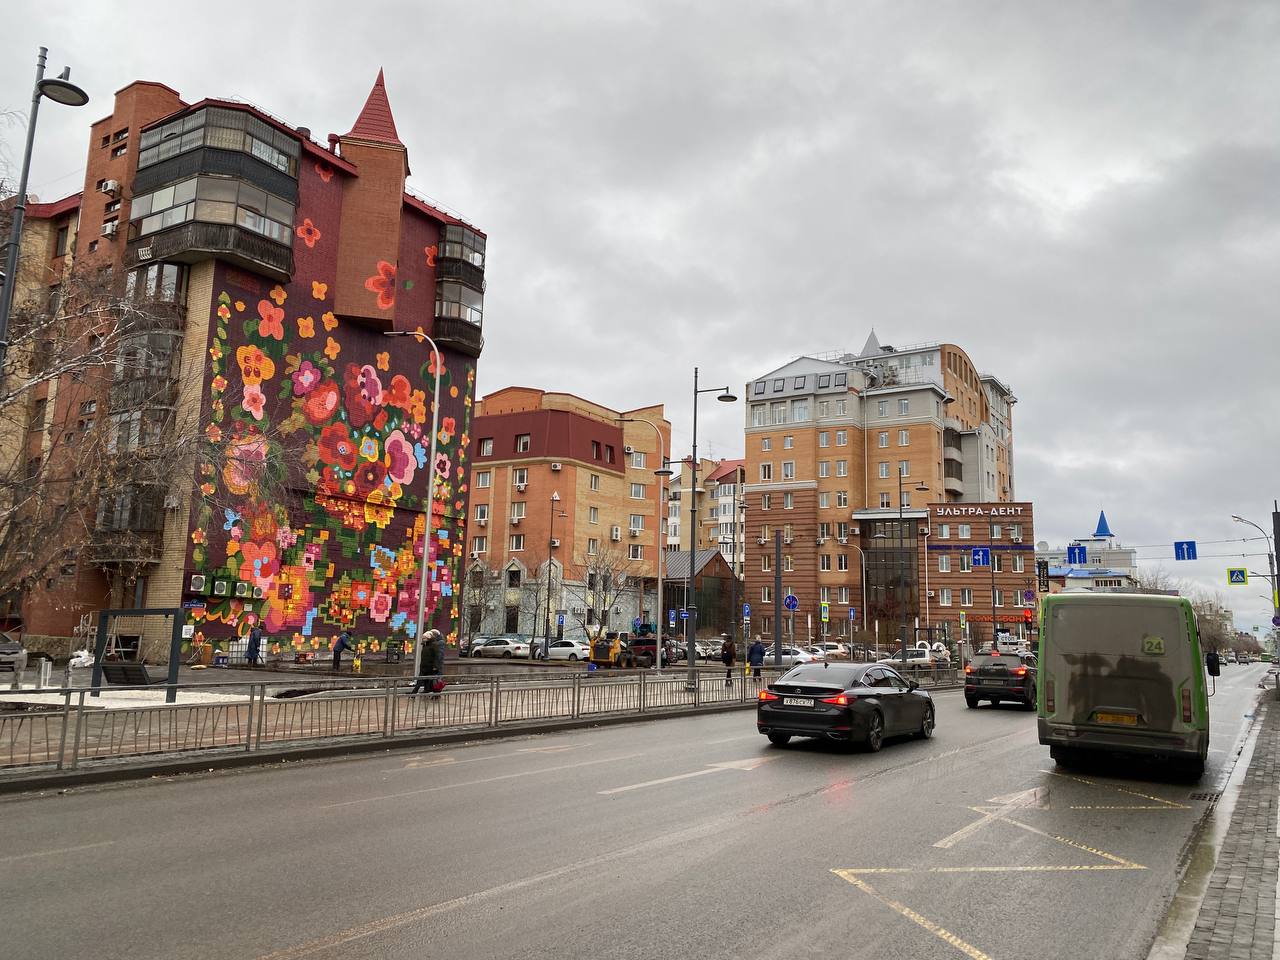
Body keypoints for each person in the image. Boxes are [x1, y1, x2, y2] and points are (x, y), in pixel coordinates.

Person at [412, 629, 447, 696]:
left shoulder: (437, 644)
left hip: (433, 666)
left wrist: (435, 666)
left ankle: (436, 694)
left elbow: (438, 656)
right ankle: (421, 691)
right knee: (426, 680)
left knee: (435, 681)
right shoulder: (426, 644)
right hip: (426, 666)